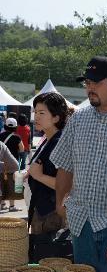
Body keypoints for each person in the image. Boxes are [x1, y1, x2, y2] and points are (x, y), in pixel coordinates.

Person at [50, 56, 107, 272]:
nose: (90, 89)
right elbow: (65, 165)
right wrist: (60, 205)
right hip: (81, 223)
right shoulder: (78, 118)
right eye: (87, 83)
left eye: (96, 83)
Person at [27, 92, 69, 261]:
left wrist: (38, 176)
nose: (36, 116)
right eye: (35, 112)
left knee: (47, 260)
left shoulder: (60, 142)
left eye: (42, 113)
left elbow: (67, 184)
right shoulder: (47, 138)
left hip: (52, 214)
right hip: (42, 210)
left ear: (56, 117)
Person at [0, 117, 24, 211]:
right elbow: (22, 149)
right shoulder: (17, 137)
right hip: (12, 164)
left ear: (5, 126)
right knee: (12, 184)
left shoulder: (0, 135)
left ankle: (2, 204)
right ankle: (12, 206)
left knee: (2, 184)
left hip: (1, 164)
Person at [0, 141, 19, 209]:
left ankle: (12, 206)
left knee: (10, 186)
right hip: (4, 167)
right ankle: (2, 204)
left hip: (12, 167)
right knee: (2, 186)